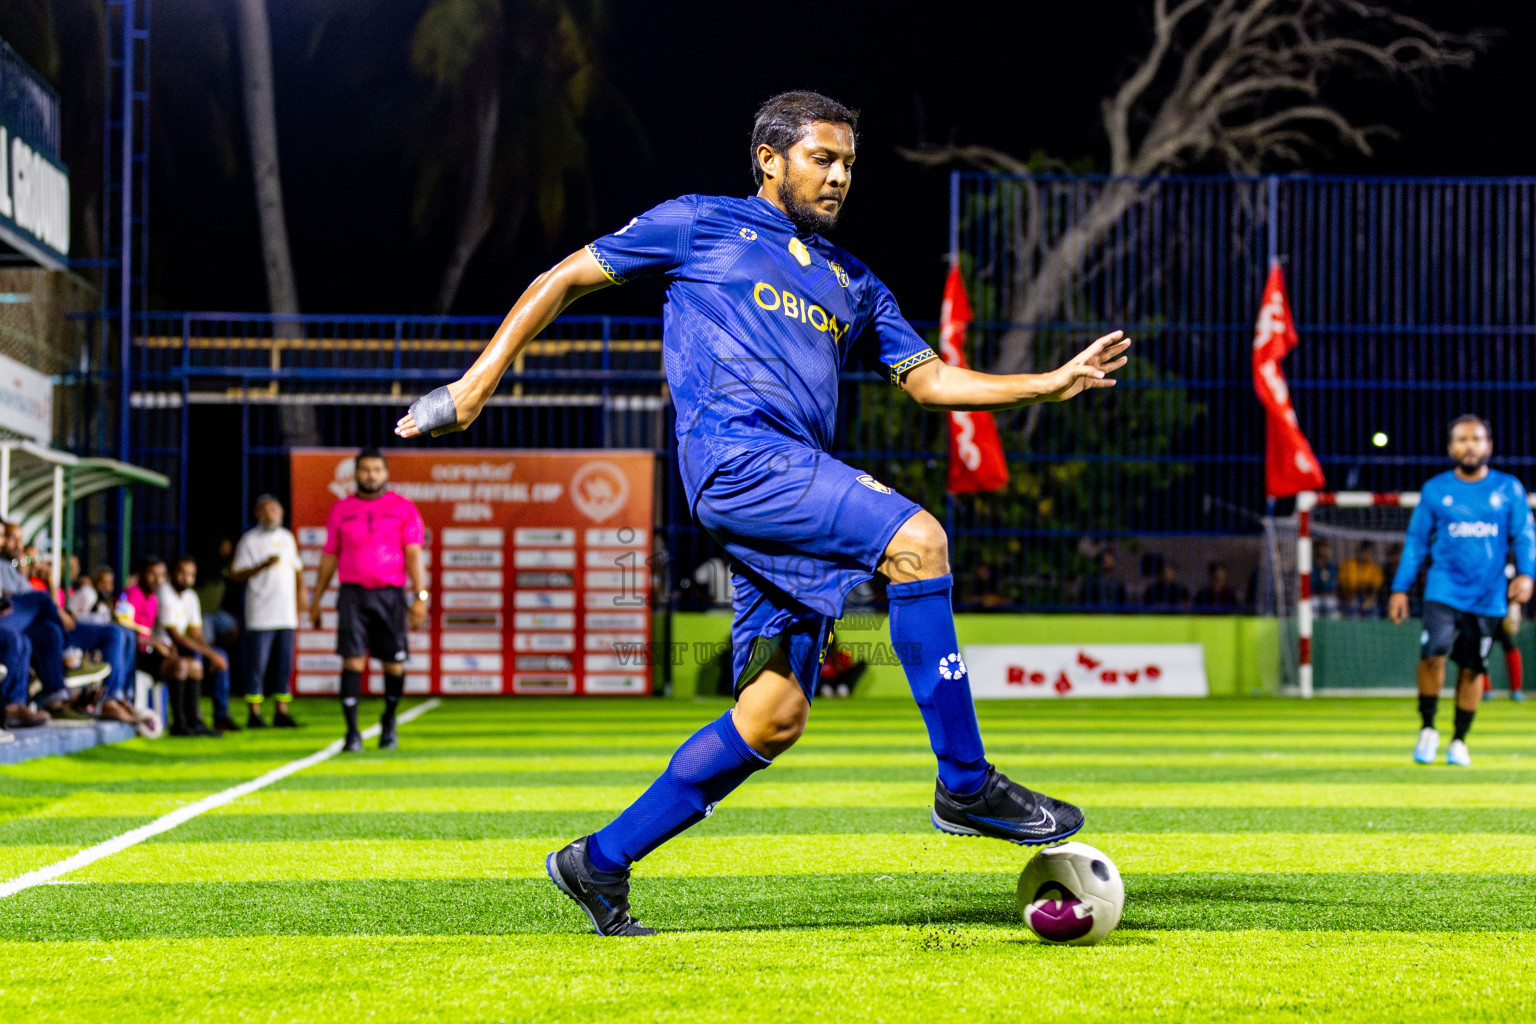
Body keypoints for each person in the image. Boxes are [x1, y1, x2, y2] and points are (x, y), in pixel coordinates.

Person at [396, 91, 1130, 936]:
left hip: (791, 479)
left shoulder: (855, 282)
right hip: (740, 462)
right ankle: (965, 785)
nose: (841, 176)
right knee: (918, 540)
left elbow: (930, 382)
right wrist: (476, 384)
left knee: (774, 715)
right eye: (824, 158)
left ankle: (597, 863)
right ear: (770, 159)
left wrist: (1043, 383)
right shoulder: (699, 225)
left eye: (849, 163)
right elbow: (562, 277)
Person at [1389, 415, 1535, 767]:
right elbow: (1416, 541)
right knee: (1433, 653)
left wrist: (1527, 574)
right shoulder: (1436, 490)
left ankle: (1458, 740)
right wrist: (1399, 588)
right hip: (1443, 589)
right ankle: (1427, 728)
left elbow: (1525, 536)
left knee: (1472, 668)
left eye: (1476, 438)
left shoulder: (1508, 489)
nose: (1469, 445)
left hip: (1488, 595)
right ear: (1451, 447)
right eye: (1462, 439)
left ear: (1489, 446)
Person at [308, 449, 427, 752]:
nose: (370, 475)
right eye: (364, 470)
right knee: (352, 661)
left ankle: (388, 723)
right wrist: (316, 599)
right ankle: (352, 734)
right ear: (355, 473)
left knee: (394, 666)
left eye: (376, 469)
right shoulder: (341, 509)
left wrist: (420, 596)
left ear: (385, 473)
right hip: (353, 596)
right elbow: (329, 556)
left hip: (391, 595)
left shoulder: (403, 508)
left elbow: (414, 553)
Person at [231, 495, 305, 728]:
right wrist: (262, 565)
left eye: (275, 509)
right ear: (257, 514)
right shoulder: (249, 540)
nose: (271, 514)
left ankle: (281, 711)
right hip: (261, 613)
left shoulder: (287, 538)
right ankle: (255, 712)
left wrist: (301, 596)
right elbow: (236, 574)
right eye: (266, 510)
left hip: (286, 612)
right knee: (257, 665)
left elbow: (297, 569)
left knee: (284, 664)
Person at [126, 555, 215, 736]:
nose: (158, 580)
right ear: (141, 574)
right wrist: (156, 643)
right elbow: (126, 629)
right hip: (136, 654)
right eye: (152, 575)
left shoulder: (152, 598)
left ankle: (194, 721)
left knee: (195, 666)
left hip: (155, 650)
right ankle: (179, 724)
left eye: (161, 576)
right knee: (180, 665)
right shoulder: (130, 595)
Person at [158, 555, 238, 732]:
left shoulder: (191, 596)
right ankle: (193, 717)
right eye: (182, 573)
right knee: (195, 656)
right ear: (172, 573)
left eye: (191, 575)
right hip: (164, 648)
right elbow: (175, 637)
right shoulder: (164, 592)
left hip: (183, 645)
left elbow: (196, 633)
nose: (187, 579)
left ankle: (221, 716)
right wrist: (208, 654)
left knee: (221, 655)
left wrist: (212, 653)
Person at [1340, 540, 1384, 617]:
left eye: (1367, 551)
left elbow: (1375, 589)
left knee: (1373, 609)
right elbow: (1343, 588)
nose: (1365, 553)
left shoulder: (1374, 568)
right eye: (1363, 550)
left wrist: (1368, 601)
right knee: (1353, 608)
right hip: (1351, 598)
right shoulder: (1348, 565)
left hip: (1368, 599)